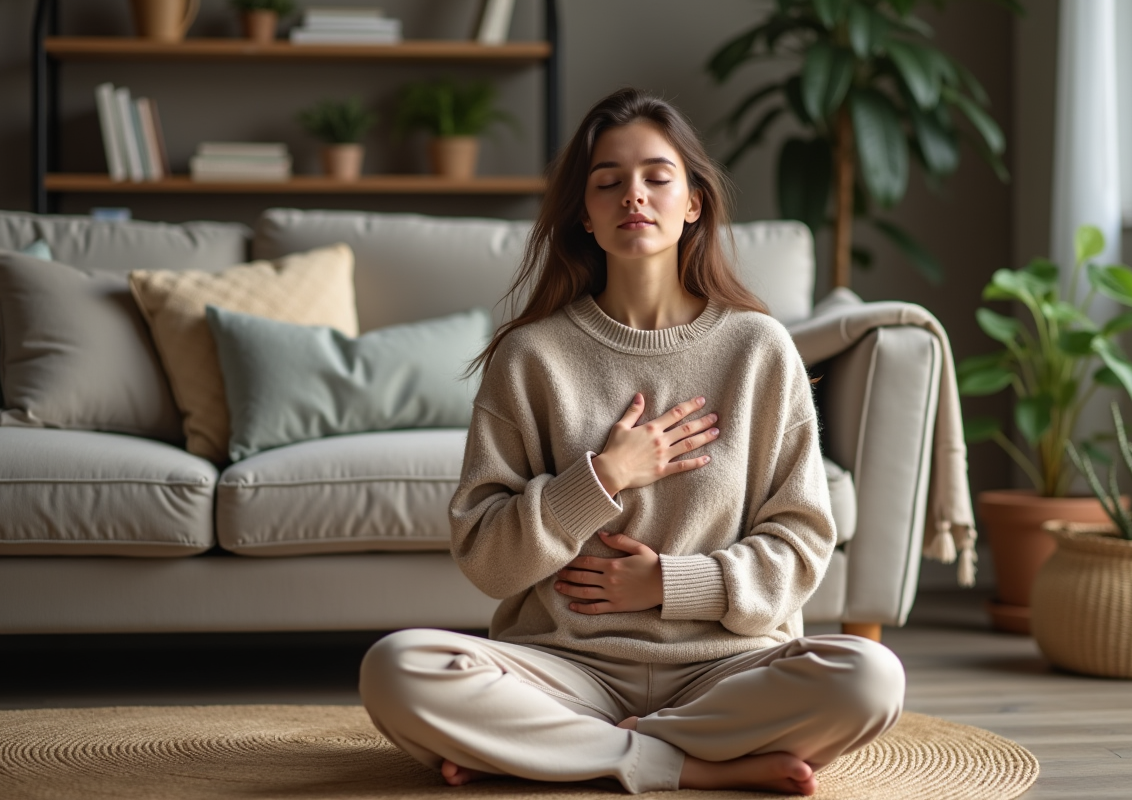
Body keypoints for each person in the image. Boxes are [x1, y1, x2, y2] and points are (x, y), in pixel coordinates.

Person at [360, 87, 905, 796]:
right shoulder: (531, 357)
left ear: (693, 203)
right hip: (565, 667)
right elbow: (487, 560)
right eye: (608, 182)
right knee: (396, 669)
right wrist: (602, 479)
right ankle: (694, 766)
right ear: (583, 216)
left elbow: (801, 546)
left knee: (870, 679)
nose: (633, 197)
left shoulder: (759, 349)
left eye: (656, 177)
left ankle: (560, 754)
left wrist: (668, 584)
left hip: (726, 669)